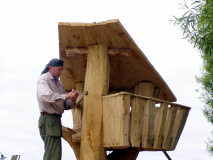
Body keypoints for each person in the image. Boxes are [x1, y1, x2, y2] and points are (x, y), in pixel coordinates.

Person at [37, 58, 79, 160]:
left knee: (54, 154)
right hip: (49, 119)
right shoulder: (44, 79)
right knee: (52, 155)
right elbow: (45, 96)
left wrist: (73, 99)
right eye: (59, 69)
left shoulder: (59, 84)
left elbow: (65, 105)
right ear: (50, 68)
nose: (60, 72)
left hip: (54, 120)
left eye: (62, 70)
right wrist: (66, 96)